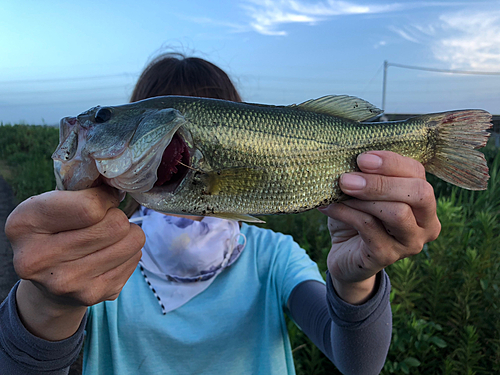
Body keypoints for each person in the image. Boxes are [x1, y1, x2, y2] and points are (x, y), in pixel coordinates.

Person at [0, 53, 441, 375]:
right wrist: (48, 302)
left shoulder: (272, 258)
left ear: (171, 137)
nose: (87, 125)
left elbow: (358, 364)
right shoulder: (100, 266)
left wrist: (354, 280)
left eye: (103, 118)